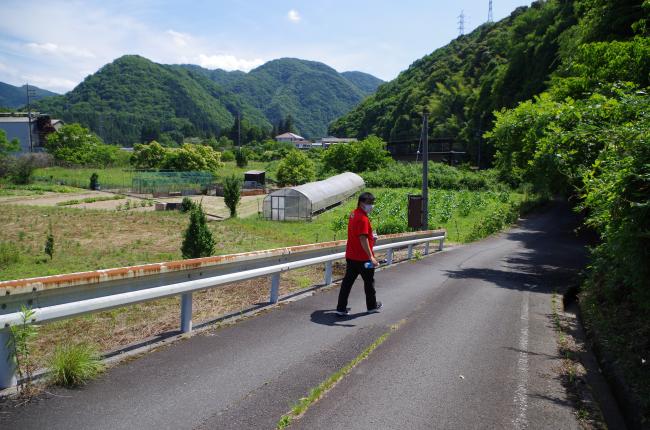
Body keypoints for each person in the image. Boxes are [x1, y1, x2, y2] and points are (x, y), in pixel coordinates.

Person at [336, 192, 383, 316]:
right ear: (362, 203)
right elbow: (363, 238)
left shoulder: (353, 214)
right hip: (363, 259)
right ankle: (372, 306)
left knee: (347, 283)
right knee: (369, 283)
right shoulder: (363, 218)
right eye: (369, 203)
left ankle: (340, 309)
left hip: (351, 256)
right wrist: (371, 257)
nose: (371, 206)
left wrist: (371, 238)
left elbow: (359, 235)